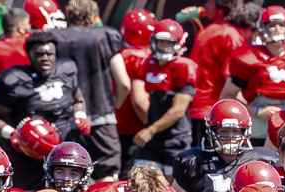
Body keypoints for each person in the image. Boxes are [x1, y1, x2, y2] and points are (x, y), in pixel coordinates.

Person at [0, 31, 87, 192]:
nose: (45, 58)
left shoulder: (66, 70)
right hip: (26, 157)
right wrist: (12, 133)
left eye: (49, 53)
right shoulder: (15, 80)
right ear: (29, 55)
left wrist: (80, 115)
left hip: (61, 155)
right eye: (39, 54)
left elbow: (78, 99)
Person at [53, 0, 130, 182]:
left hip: (66, 120)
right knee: (107, 177)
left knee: (67, 177)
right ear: (93, 16)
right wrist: (114, 106)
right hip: (102, 118)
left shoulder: (55, 37)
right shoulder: (105, 36)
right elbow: (124, 83)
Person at [220, 6, 285, 145]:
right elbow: (227, 96)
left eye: (282, 25)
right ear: (262, 28)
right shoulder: (248, 57)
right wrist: (257, 111)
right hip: (262, 121)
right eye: (272, 25)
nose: (278, 28)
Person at [172, 99, 280, 192]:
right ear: (212, 132)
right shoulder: (192, 162)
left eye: (235, 131)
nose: (230, 137)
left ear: (245, 132)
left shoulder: (264, 160)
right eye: (223, 131)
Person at [132, 19, 198, 181]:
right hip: (152, 139)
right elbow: (140, 99)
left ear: (179, 44)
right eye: (160, 42)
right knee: (141, 181)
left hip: (175, 138)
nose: (164, 47)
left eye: (168, 43)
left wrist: (151, 129)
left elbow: (178, 110)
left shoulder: (183, 66)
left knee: (171, 185)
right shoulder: (149, 64)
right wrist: (149, 127)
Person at [189, 2, 262, 146]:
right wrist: (258, 110)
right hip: (214, 112)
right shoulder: (233, 38)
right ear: (249, 29)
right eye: (257, 34)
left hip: (197, 108)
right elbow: (231, 83)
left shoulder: (212, 29)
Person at [116, 9, 155, 178]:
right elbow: (139, 102)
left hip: (113, 127)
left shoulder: (117, 55)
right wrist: (153, 128)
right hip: (134, 130)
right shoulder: (141, 58)